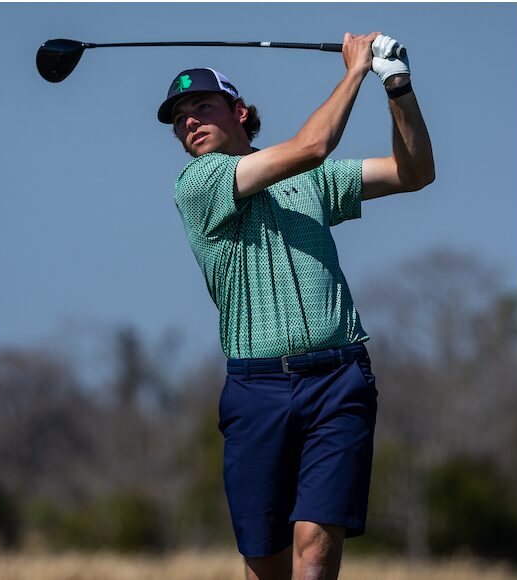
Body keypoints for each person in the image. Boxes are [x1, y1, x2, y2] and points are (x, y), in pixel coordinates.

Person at [158, 32, 434, 580]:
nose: (189, 121)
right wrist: (355, 71)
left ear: (239, 112)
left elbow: (414, 172)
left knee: (315, 557)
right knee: (266, 564)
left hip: (338, 380)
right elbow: (313, 145)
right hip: (256, 388)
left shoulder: (311, 182)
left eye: (202, 107)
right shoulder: (198, 183)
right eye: (179, 119)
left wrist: (397, 87)